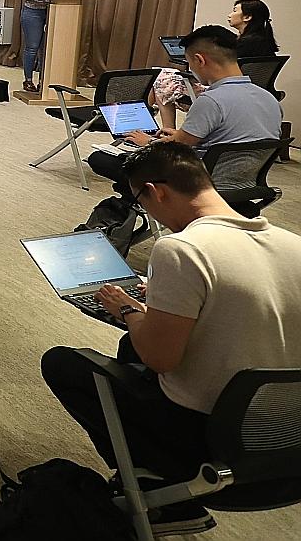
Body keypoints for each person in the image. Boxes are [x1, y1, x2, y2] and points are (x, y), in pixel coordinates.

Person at [41, 143, 301, 535]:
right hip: (284, 434)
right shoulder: (293, 245)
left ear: (156, 191)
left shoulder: (181, 249)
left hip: (210, 443)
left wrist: (128, 309)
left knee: (64, 362)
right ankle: (153, 477)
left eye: (142, 203)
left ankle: (161, 486)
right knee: (131, 346)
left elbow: (161, 359)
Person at [87, 25, 281, 201]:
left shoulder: (210, 101)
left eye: (189, 64)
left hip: (198, 182)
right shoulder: (269, 99)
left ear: (199, 60)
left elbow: (177, 150)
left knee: (102, 159)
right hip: (244, 183)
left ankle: (132, 212)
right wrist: (178, 135)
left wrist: (148, 142)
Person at [150, 0, 281, 131]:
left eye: (235, 10)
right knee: (165, 76)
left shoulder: (243, 44)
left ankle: (163, 127)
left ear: (247, 17)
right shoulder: (263, 41)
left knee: (161, 79)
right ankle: (147, 113)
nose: (230, 14)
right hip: (252, 92)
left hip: (225, 92)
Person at [12, 0, 68, 92]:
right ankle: (28, 80)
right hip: (32, 11)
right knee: (32, 47)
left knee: (47, 48)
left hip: (53, 11)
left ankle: (44, 80)